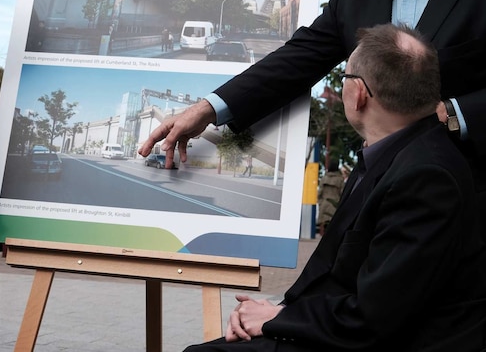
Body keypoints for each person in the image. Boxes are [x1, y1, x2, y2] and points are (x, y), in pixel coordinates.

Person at [139, 0, 486, 225]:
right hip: (378, 197)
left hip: (467, 206)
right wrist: (208, 109)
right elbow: (303, 55)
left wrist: (458, 114)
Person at [184, 23, 486, 351]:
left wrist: (274, 319)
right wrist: (278, 311)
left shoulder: (426, 177)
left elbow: (374, 317)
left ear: (357, 94)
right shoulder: (404, 153)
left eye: (344, 79)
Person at [316, 158, 344, 235]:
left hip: (324, 204)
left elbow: (319, 193)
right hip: (335, 205)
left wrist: (321, 203)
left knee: (323, 227)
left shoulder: (324, 178)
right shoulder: (340, 179)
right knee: (333, 228)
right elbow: (342, 193)